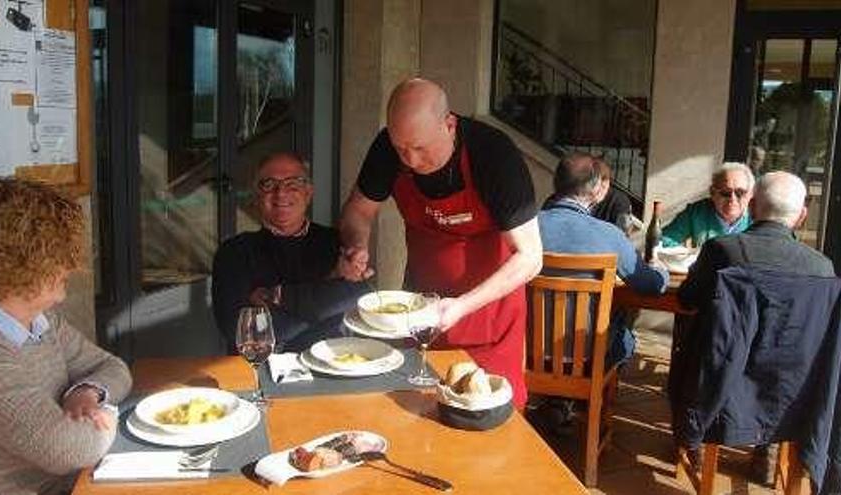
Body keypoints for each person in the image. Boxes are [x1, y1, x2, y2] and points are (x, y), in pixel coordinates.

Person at [339, 78, 543, 408]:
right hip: (420, 312)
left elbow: (531, 257)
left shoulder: (494, 155)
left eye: (420, 148)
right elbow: (358, 211)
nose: (410, 161)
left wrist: (461, 306)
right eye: (401, 149)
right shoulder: (390, 148)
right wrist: (355, 245)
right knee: (416, 410)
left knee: (487, 416)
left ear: (449, 125)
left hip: (489, 315)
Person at [0, 178, 132, 495]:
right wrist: (108, 414)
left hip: (76, 484)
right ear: (27, 267)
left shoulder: (40, 322)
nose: (73, 264)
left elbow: (114, 369)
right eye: (62, 255)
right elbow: (66, 448)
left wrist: (86, 392)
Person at [676, 171, 835, 485]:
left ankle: (690, 437)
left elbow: (687, 298)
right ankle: (767, 448)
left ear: (751, 208)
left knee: (697, 349)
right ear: (802, 216)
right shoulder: (823, 269)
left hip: (725, 389)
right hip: (797, 394)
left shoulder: (723, 250)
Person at [212, 152, 368, 354]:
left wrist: (276, 297)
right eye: (269, 185)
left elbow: (360, 297)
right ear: (256, 196)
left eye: (292, 183)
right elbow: (241, 332)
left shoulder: (335, 242)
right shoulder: (234, 252)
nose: (281, 193)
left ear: (308, 192)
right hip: (260, 370)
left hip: (333, 365)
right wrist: (327, 293)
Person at [539, 152, 669, 365]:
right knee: (626, 339)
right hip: (588, 356)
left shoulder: (525, 229)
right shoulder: (609, 235)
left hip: (529, 349)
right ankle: (591, 393)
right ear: (597, 189)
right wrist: (660, 269)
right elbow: (652, 285)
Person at [662, 162, 755, 247]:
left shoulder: (758, 217)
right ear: (712, 193)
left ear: (750, 194)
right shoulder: (697, 212)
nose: (732, 199)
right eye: (725, 192)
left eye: (740, 192)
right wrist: (687, 256)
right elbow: (663, 240)